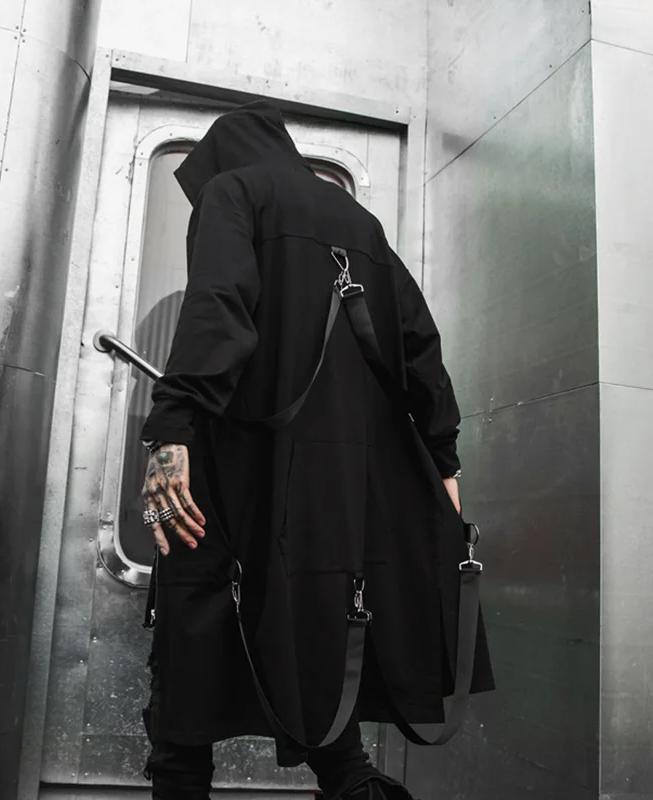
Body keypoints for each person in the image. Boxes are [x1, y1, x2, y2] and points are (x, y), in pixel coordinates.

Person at [139, 101, 494, 800]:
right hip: (337, 491)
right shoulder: (359, 222)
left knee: (190, 657)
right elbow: (420, 346)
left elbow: (218, 308)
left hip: (234, 478)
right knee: (328, 643)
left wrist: (171, 430)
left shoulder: (232, 193)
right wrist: (444, 459)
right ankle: (352, 785)